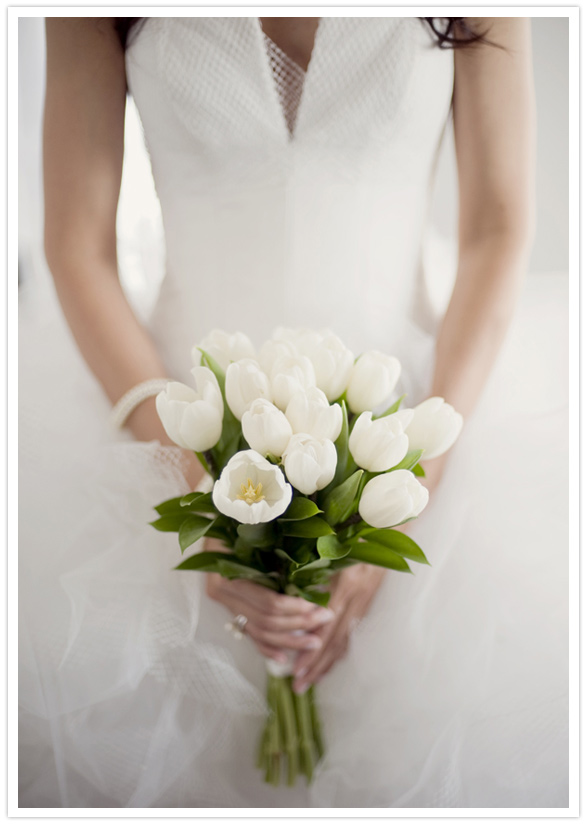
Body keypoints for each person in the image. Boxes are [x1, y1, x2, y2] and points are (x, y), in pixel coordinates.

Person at [19, 16, 568, 807]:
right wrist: (193, 489)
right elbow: (76, 246)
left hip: (417, 422)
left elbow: (495, 228)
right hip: (172, 423)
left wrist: (406, 486)